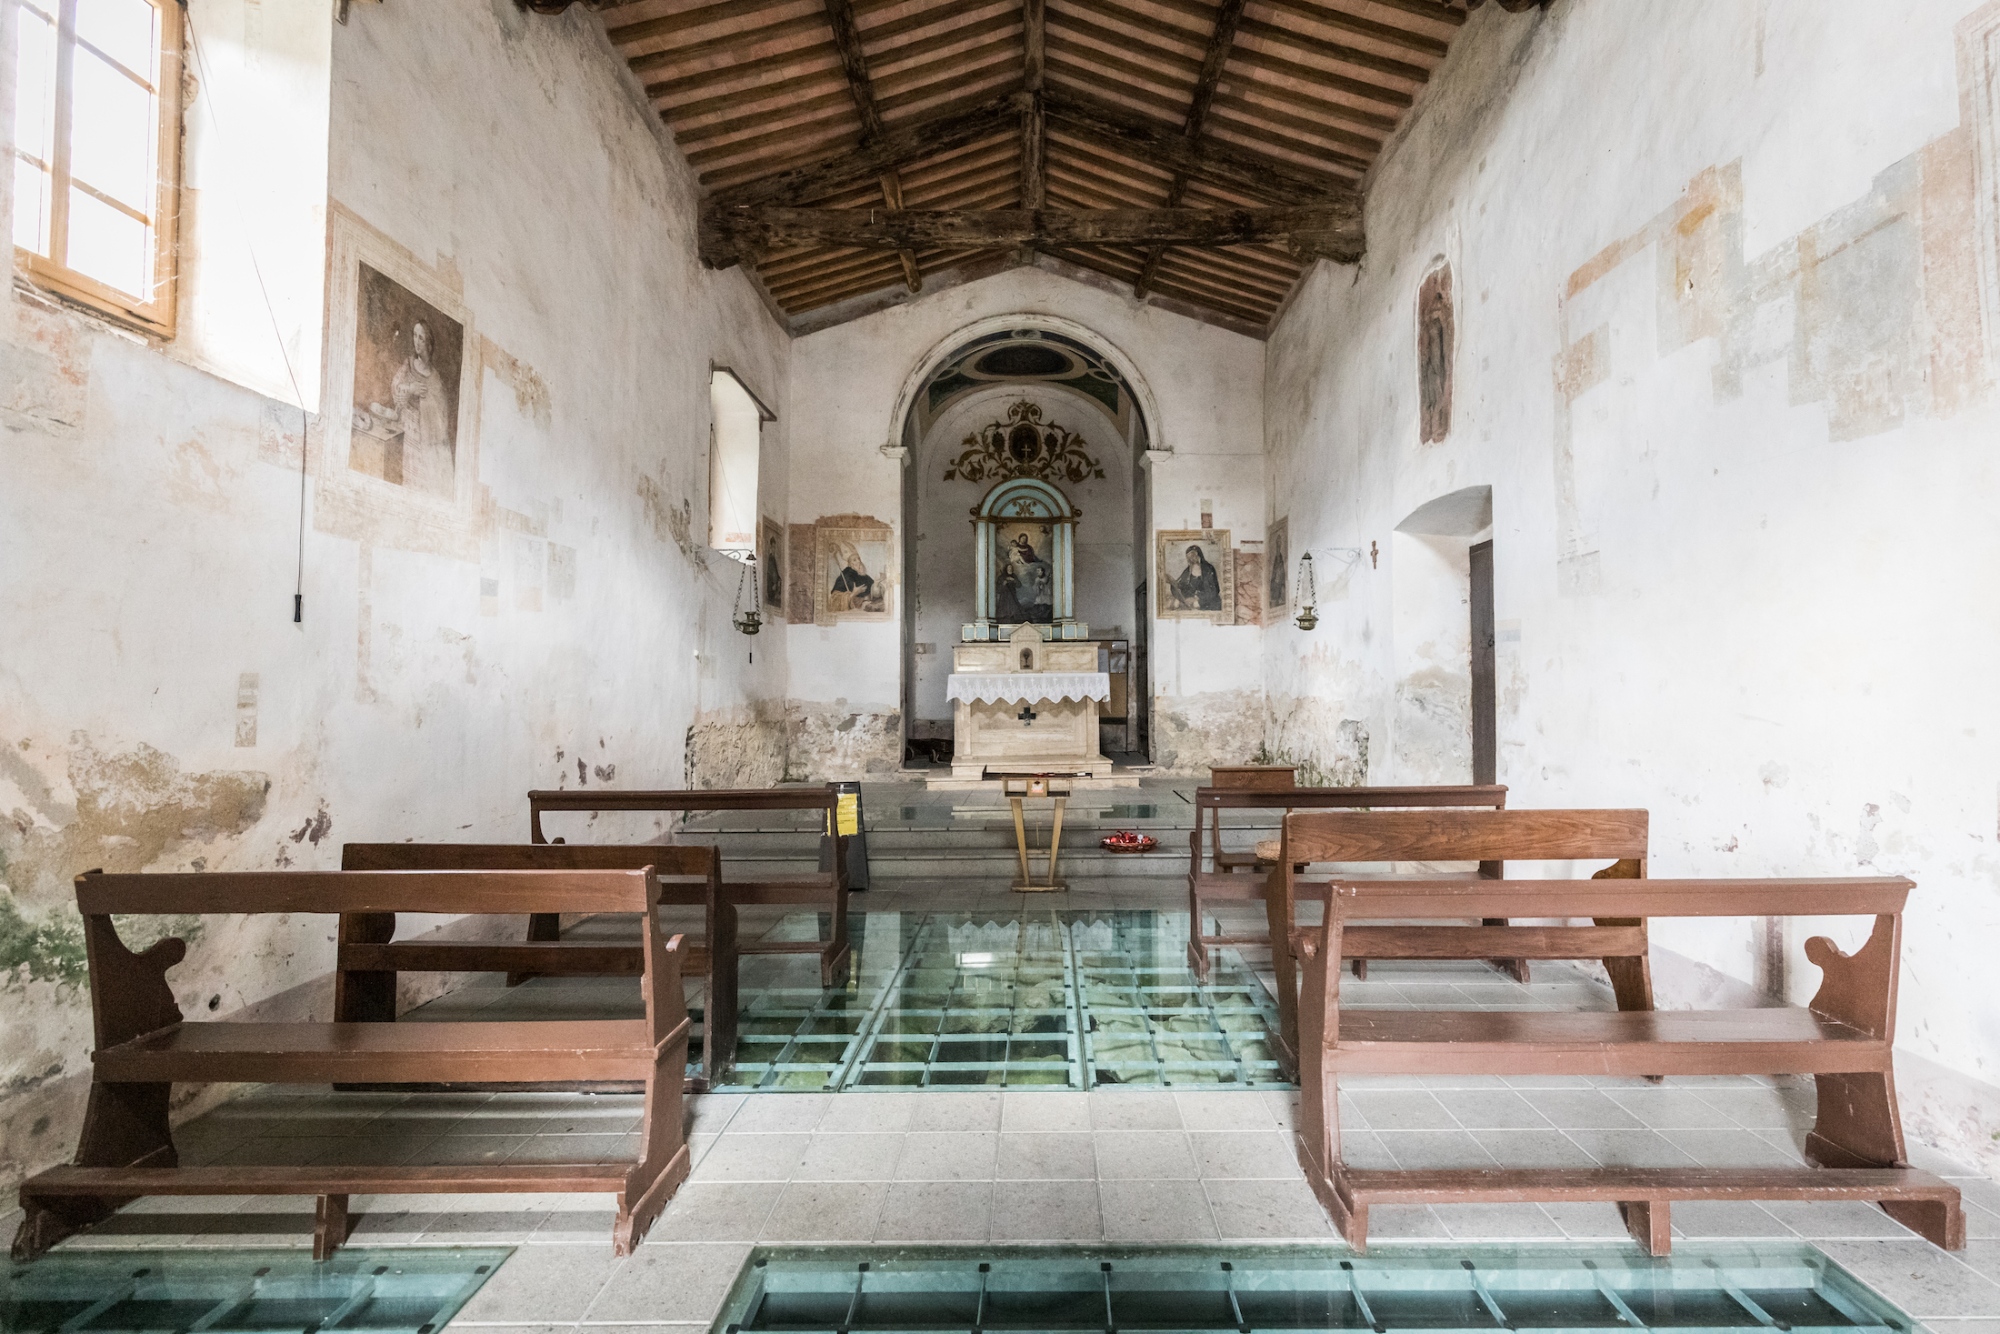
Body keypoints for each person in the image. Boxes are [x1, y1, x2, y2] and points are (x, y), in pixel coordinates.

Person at [384, 320, 453, 495]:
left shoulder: (435, 378)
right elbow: (395, 387)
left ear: (429, 345)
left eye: (421, 338)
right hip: (407, 429)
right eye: (415, 336)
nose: (416, 341)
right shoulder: (409, 365)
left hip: (426, 436)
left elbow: (441, 414)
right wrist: (410, 389)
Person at [1173, 543, 1222, 611]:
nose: (1192, 559)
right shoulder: (1187, 571)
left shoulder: (1208, 569)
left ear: (1199, 556)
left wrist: (1198, 599)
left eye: (1193, 556)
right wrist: (1179, 597)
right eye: (1189, 557)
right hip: (1192, 603)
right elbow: (1181, 586)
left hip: (1208, 603)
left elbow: (1215, 591)